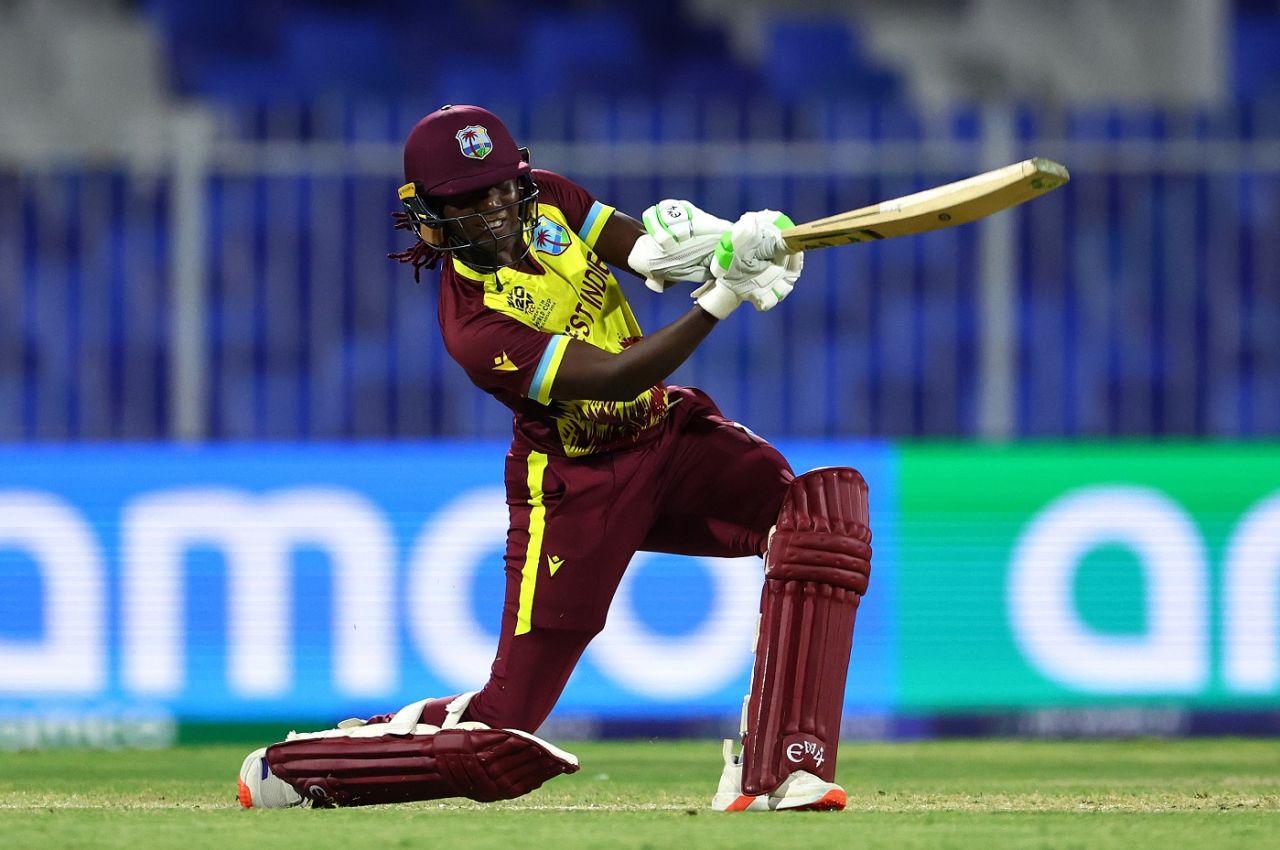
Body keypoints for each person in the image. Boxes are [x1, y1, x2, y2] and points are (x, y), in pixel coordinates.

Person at [236, 104, 872, 813]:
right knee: (506, 723)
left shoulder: (553, 202)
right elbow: (613, 376)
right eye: (472, 199)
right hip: (578, 488)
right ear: (428, 217)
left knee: (817, 515)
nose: (500, 206)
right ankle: (297, 765)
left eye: (506, 186)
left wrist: (734, 239)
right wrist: (725, 290)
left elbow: (647, 255)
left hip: (668, 437)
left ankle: (778, 770)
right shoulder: (474, 327)